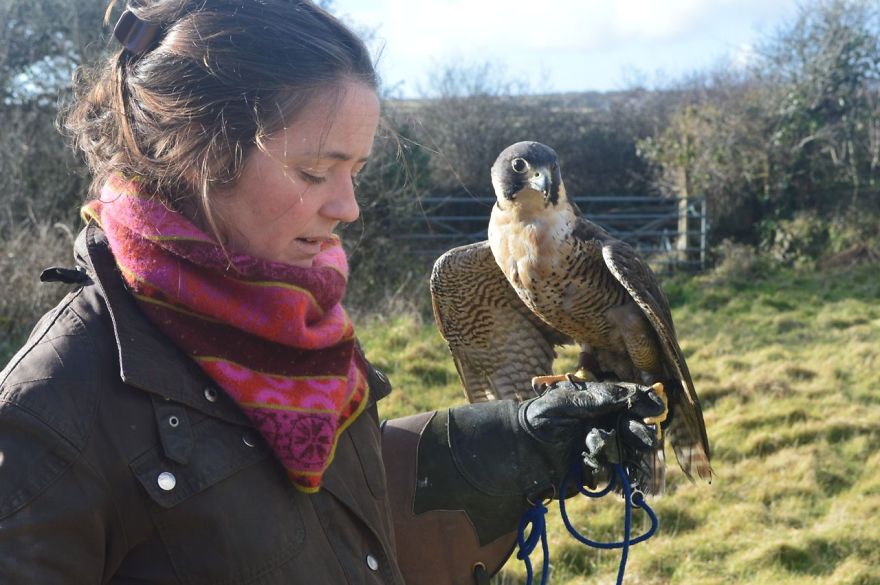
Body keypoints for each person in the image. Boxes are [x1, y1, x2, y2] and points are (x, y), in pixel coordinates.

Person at [0, 1, 664, 583]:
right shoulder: (49, 417)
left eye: (357, 170)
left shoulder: (298, 318)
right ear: (199, 153)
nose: (347, 207)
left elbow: (323, 517)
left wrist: (512, 441)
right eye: (316, 172)